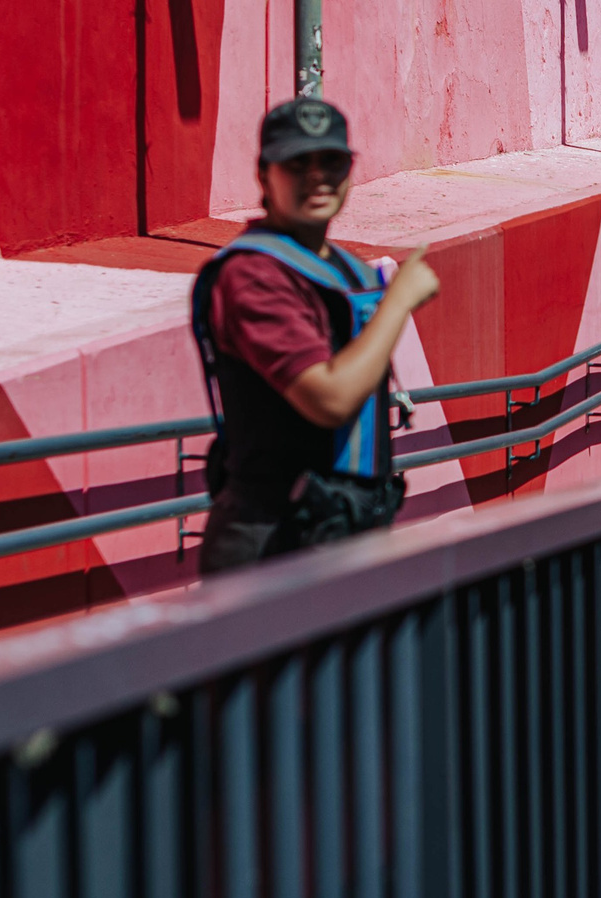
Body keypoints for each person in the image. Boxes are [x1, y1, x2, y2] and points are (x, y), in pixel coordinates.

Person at [189, 97, 441, 572]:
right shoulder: (252, 276)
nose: (316, 175)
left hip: (340, 527)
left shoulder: (343, 269)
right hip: (273, 542)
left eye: (332, 161)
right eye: (296, 163)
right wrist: (399, 300)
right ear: (265, 176)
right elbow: (328, 398)